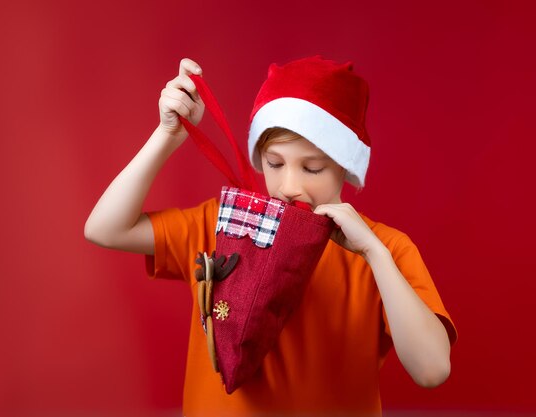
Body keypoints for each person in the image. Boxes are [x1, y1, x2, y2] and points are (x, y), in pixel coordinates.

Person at [85, 56, 457, 416]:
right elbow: (104, 228)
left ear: (345, 167)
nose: (290, 186)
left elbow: (431, 370)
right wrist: (167, 135)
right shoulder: (222, 224)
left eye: (313, 168)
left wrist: (375, 255)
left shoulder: (386, 249)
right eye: (275, 164)